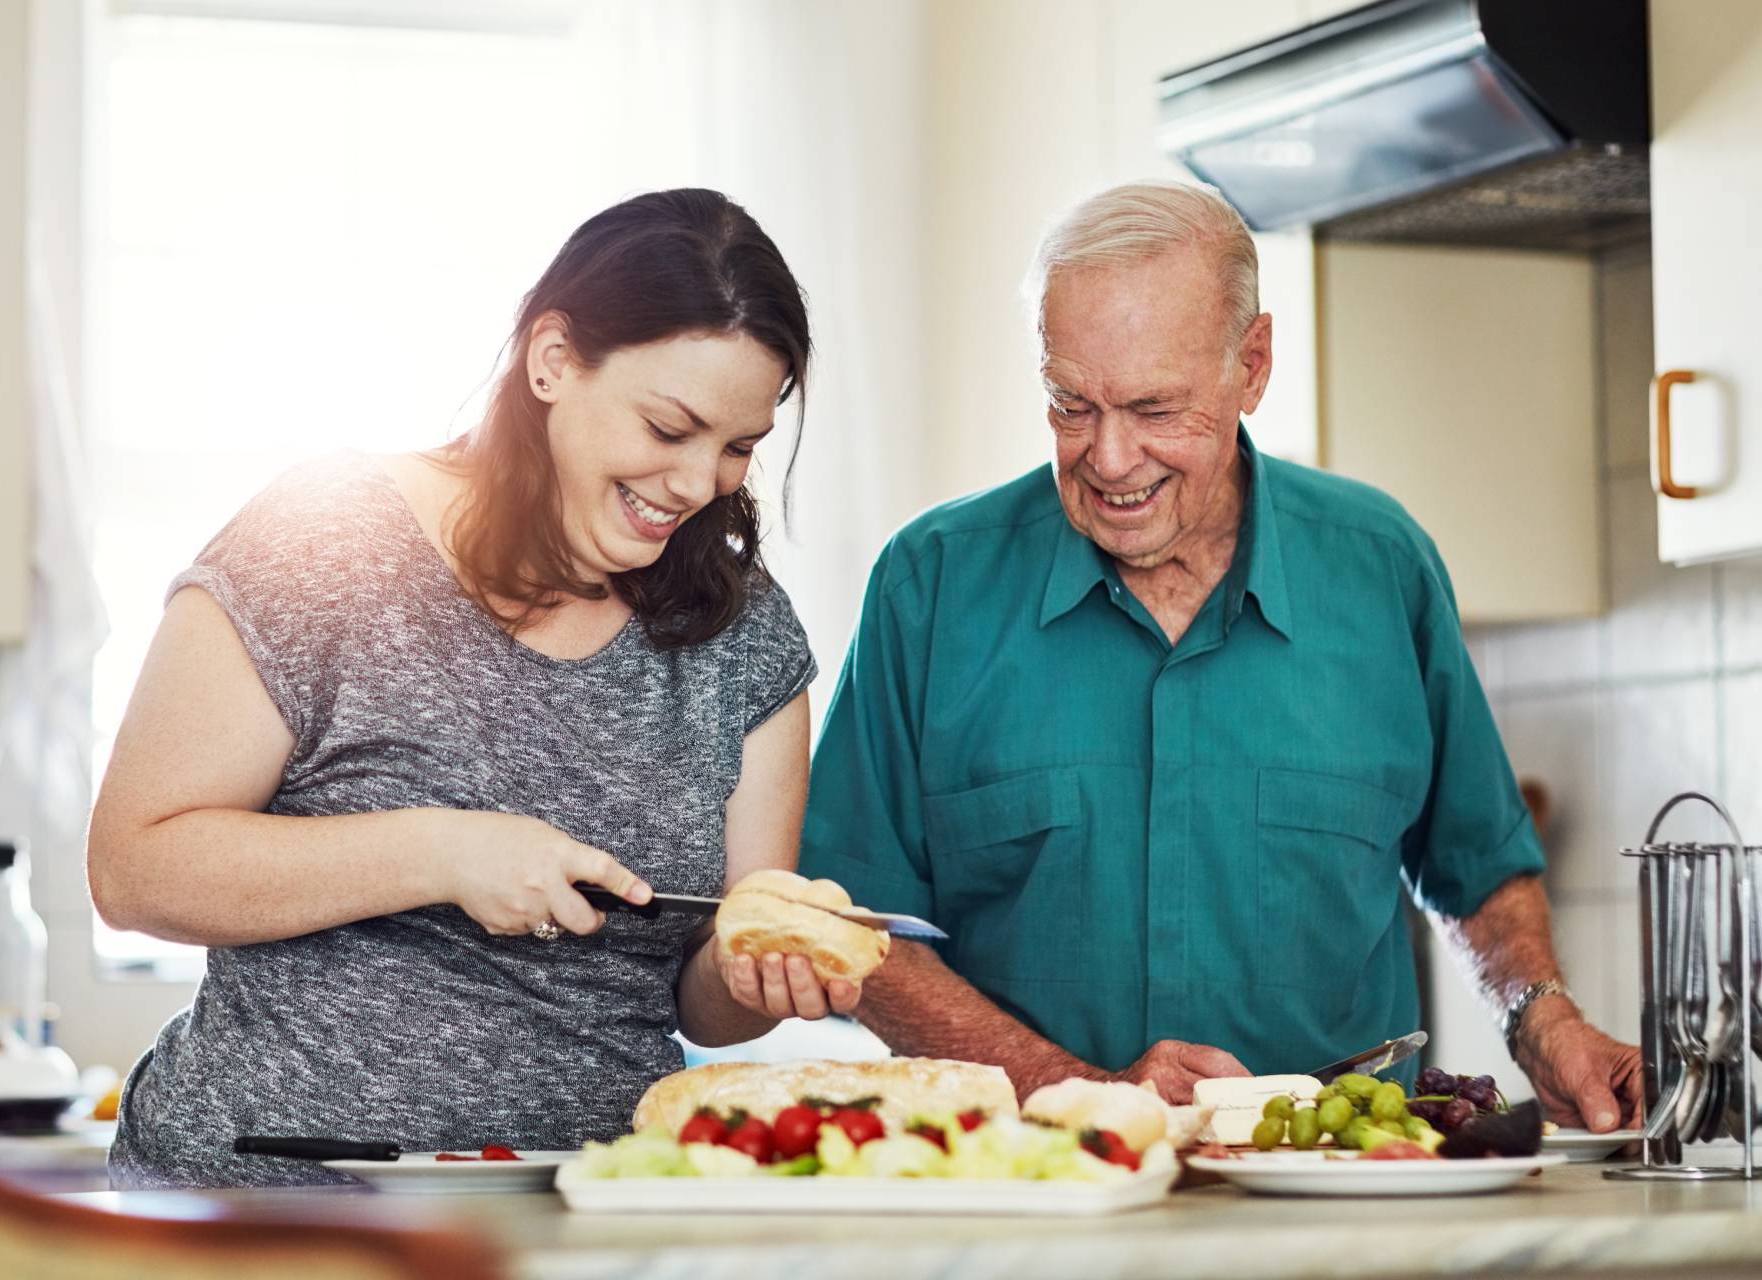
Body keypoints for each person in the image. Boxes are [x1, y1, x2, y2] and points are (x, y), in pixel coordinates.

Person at [798, 180, 1640, 1129]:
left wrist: (1540, 1018)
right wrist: (1083, 1097)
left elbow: (1477, 864)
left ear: (1253, 364)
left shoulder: (1382, 568)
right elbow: (855, 929)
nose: (1111, 459)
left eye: (1155, 408)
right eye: (1071, 404)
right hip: (1029, 1204)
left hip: (1342, 1213)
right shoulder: (932, 585)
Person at [90, 189, 856, 1188]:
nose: (697, 481)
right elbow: (134, 868)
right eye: (670, 425)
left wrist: (758, 969)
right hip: (261, 1212)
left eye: (739, 445)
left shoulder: (743, 632)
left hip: (578, 1226)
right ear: (552, 360)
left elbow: (705, 996)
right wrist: (444, 850)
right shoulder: (326, 538)